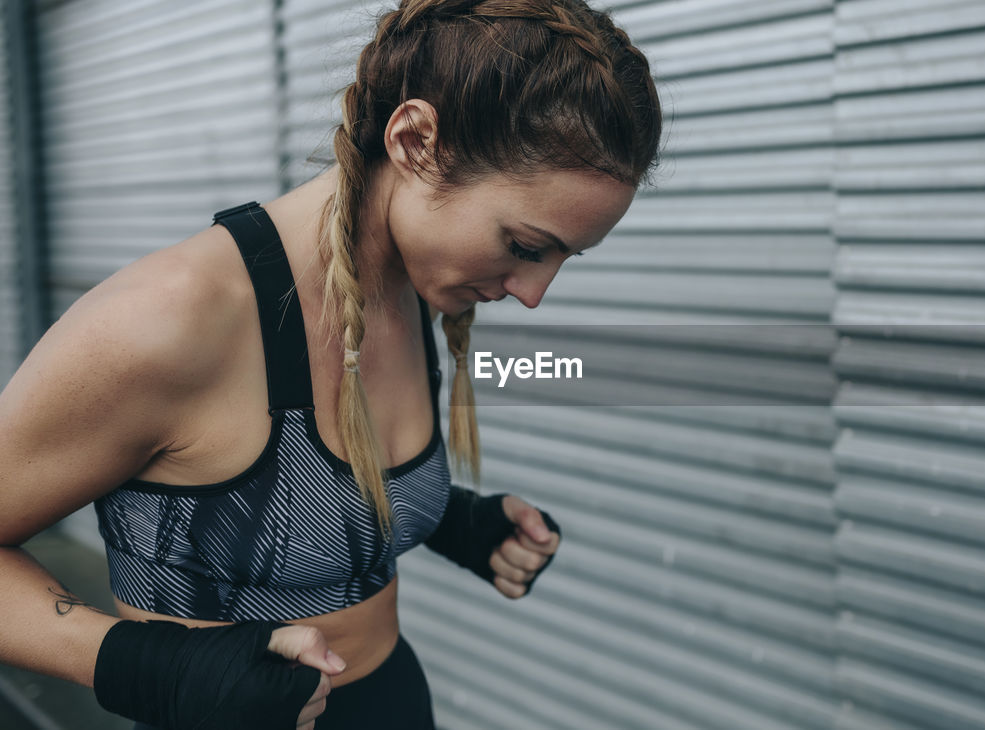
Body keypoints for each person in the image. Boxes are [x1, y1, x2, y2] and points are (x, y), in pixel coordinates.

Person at [0, 0, 661, 727]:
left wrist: (457, 521)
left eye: (567, 256)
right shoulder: (171, 319)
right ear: (413, 141)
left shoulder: (412, 287)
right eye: (525, 246)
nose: (534, 293)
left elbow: (306, 497)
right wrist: (150, 668)